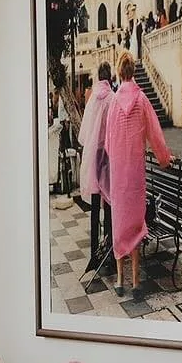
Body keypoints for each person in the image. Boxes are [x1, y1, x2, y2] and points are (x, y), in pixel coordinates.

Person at [102, 51, 172, 297]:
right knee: (135, 224)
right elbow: (155, 134)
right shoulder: (142, 100)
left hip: (119, 175)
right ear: (133, 71)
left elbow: (109, 144)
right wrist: (164, 159)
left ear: (119, 74)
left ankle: (119, 280)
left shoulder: (112, 104)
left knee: (120, 224)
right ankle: (136, 281)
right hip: (135, 175)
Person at [77, 61, 115, 271]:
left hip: (93, 156)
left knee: (94, 205)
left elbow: (84, 134)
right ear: (109, 77)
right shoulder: (113, 98)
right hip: (108, 157)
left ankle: (94, 253)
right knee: (108, 203)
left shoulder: (92, 100)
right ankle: (108, 250)